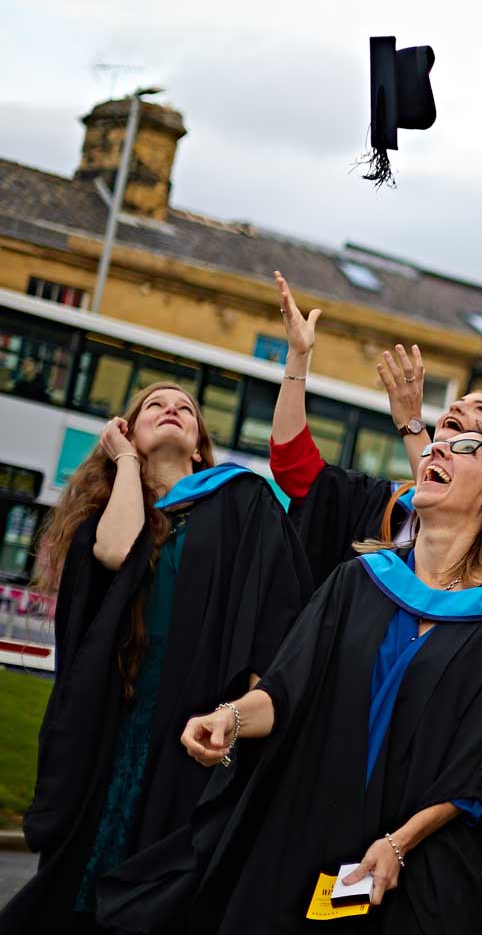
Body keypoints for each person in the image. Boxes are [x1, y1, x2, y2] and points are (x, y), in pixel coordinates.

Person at [105, 429, 482, 934]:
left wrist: (400, 843)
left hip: (426, 865)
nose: (437, 448)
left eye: (464, 449)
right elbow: (286, 691)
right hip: (311, 834)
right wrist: (231, 717)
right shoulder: (359, 583)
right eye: (435, 441)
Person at [3, 384, 309, 934]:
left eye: (185, 408)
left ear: (199, 448)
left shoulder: (243, 501)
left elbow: (275, 621)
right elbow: (118, 552)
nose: (171, 409)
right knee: (83, 887)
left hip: (197, 732)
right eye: (154, 406)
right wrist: (125, 462)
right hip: (117, 727)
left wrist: (242, 724)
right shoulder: (110, 515)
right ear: (130, 434)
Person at [268, 268, 482, 579]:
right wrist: (298, 356)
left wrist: (412, 425)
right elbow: (293, 466)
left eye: (480, 409)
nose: (457, 405)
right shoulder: (381, 503)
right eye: (459, 402)